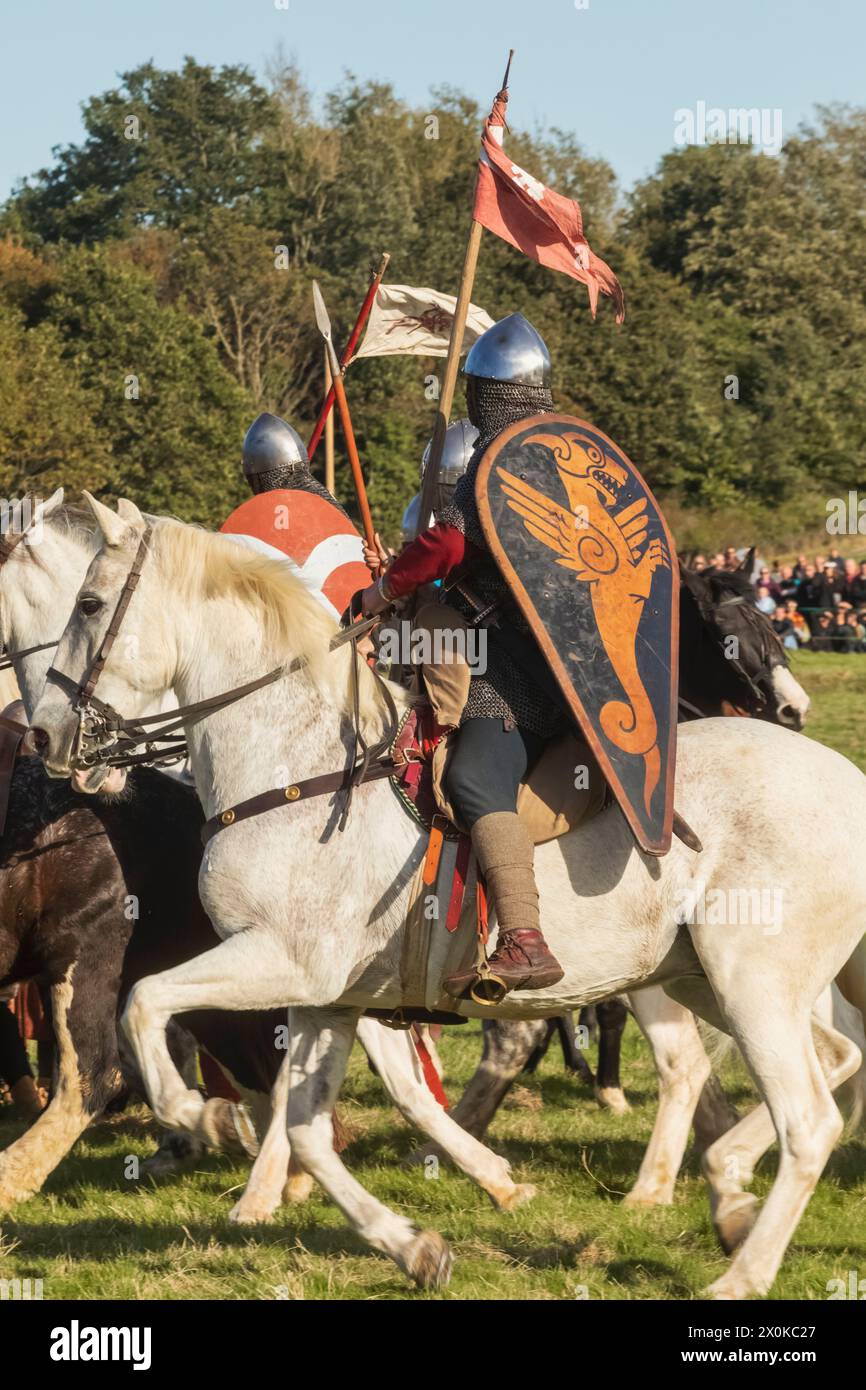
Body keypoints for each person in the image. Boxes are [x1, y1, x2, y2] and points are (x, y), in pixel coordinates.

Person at [359, 313, 569, 996]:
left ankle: (525, 939)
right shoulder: (562, 454)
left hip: (518, 671)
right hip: (569, 663)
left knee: (475, 782)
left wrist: (388, 585)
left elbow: (448, 547)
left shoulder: (503, 455)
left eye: (477, 390)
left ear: (488, 393)